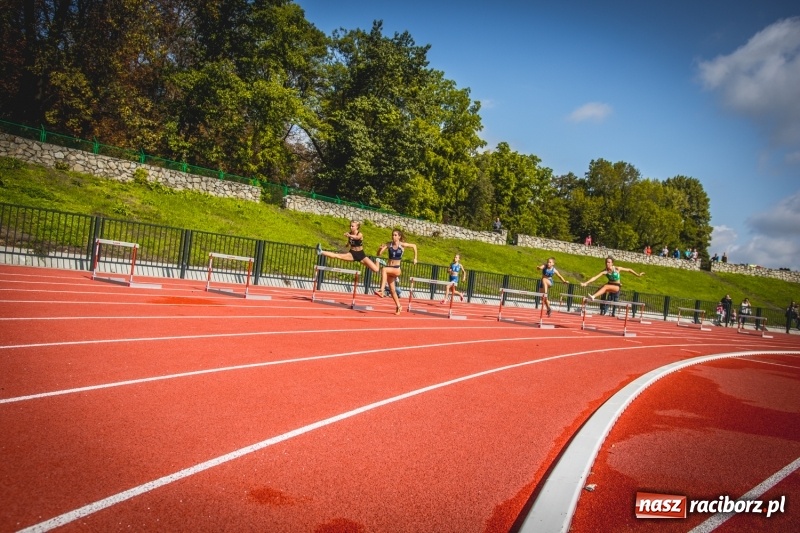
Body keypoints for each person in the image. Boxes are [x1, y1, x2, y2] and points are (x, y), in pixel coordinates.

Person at [374, 229, 418, 315]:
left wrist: (415, 258)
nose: (393, 237)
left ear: (399, 237)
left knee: (384, 269)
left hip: (397, 269)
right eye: (392, 235)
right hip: (390, 269)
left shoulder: (402, 245)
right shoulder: (388, 244)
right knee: (392, 290)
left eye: (395, 235)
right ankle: (399, 306)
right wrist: (379, 249)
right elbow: (378, 254)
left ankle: (381, 290)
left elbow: (414, 246)